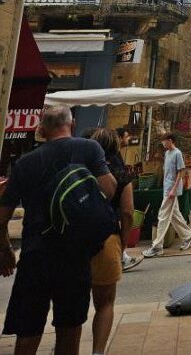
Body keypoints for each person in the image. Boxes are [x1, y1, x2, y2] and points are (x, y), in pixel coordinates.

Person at [0, 106, 116, 355]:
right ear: (72, 125)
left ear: (42, 130)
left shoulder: (24, 163)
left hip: (35, 256)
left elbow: (2, 217)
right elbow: (108, 188)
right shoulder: (89, 149)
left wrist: (5, 249)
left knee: (28, 330)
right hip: (74, 255)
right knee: (70, 328)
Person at [89, 129, 135, 355]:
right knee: (105, 303)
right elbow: (127, 213)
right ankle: (97, 351)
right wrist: (123, 241)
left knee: (71, 304)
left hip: (74, 241)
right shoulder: (121, 174)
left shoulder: (80, 170)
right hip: (107, 238)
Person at [142, 133, 191, 257]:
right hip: (167, 188)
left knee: (163, 216)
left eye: (164, 141)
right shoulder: (167, 153)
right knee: (175, 215)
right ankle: (188, 236)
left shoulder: (177, 153)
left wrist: (173, 190)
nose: (163, 143)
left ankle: (157, 246)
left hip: (172, 189)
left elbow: (181, 172)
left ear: (170, 140)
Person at [113, 127, 142, 273]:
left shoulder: (116, 155)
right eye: (126, 136)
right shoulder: (113, 156)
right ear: (119, 138)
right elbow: (128, 212)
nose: (128, 139)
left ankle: (122, 256)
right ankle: (120, 256)